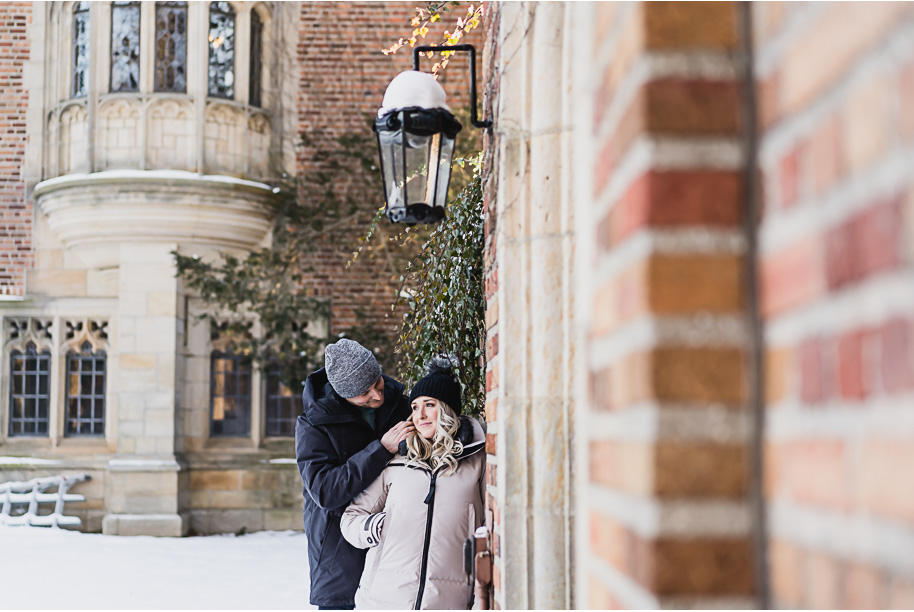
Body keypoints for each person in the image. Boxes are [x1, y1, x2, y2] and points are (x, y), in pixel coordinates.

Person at [340, 355, 486, 610]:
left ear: (448, 409)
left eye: (429, 404)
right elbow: (351, 518)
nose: (420, 415)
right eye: (415, 407)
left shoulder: (477, 459)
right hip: (383, 599)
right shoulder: (396, 461)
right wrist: (373, 527)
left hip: (449, 601)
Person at [295, 338, 414, 610]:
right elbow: (325, 490)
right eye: (364, 392)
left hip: (396, 541)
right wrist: (381, 450)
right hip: (339, 553)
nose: (377, 395)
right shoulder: (313, 425)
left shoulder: (401, 406)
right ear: (343, 393)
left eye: (377, 382)